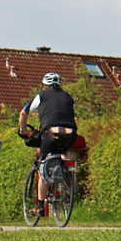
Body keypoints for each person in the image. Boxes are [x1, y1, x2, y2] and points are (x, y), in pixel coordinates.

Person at [18, 72, 77, 217]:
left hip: (50, 134)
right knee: (62, 150)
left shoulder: (41, 95)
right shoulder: (68, 96)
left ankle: (39, 206)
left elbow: (23, 114)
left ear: (44, 85)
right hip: (71, 135)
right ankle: (65, 170)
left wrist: (23, 131)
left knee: (43, 166)